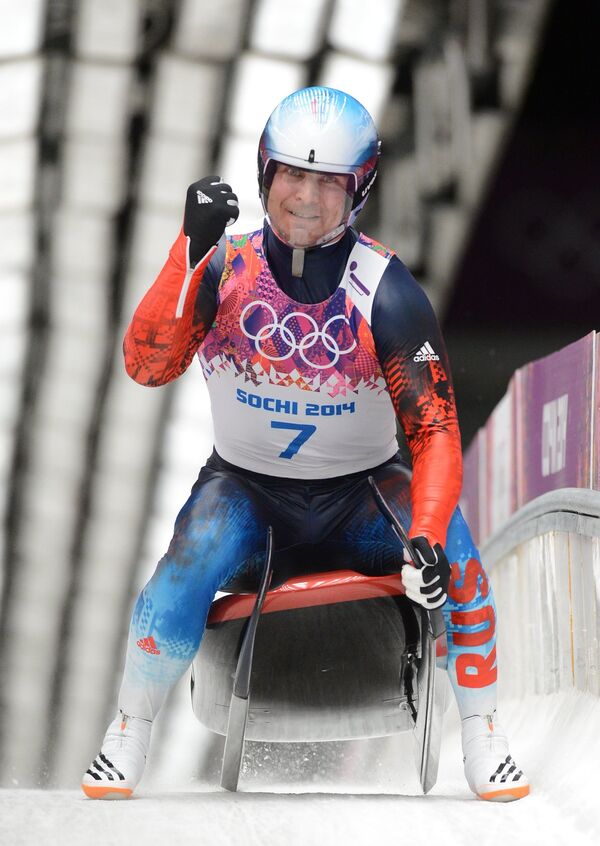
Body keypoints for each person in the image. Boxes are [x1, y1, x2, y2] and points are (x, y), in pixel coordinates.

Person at [82, 86, 529, 802]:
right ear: (265, 174)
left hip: (364, 496)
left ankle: (484, 729)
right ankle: (130, 727)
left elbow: (436, 431)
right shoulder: (221, 268)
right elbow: (146, 365)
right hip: (248, 495)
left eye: (328, 182)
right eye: (292, 173)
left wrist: (423, 539)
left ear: (359, 192)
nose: (305, 198)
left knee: (460, 556)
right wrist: (186, 256)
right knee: (183, 569)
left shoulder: (386, 292)